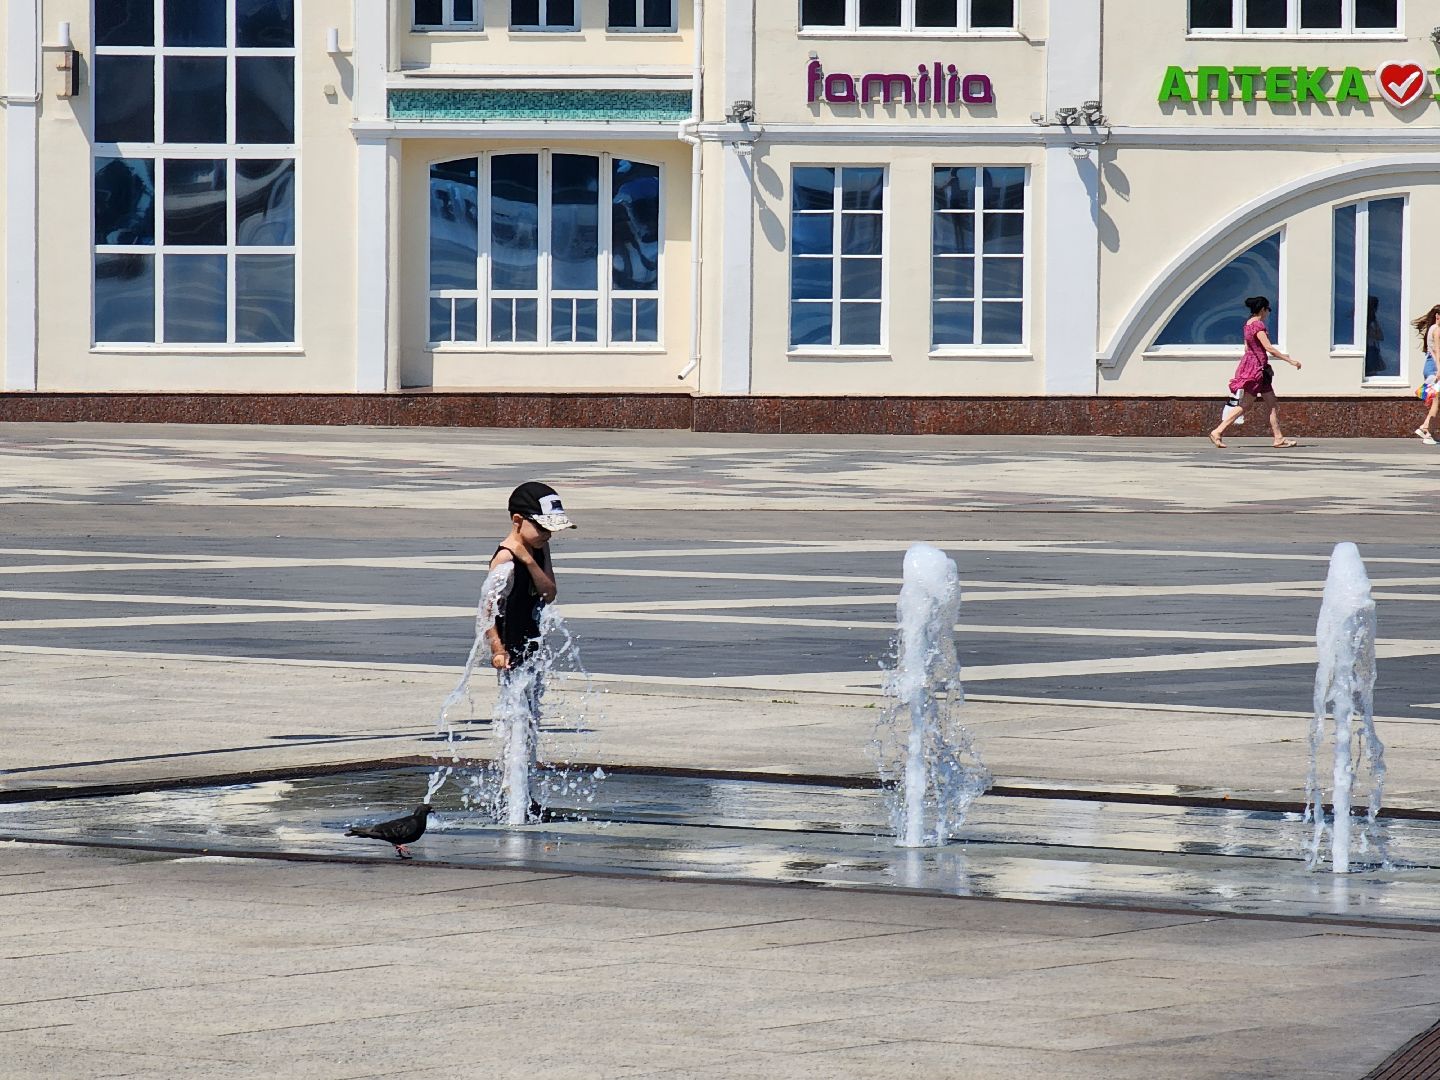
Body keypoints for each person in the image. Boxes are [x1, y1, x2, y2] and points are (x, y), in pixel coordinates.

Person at [477, 482, 576, 819]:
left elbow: (549, 592)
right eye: (542, 528)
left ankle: (524, 792)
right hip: (509, 647)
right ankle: (510, 795)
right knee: (514, 720)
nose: (547, 536)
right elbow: (487, 611)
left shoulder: (537, 550)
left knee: (530, 720)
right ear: (518, 520)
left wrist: (530, 560)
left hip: (532, 644)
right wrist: (496, 648)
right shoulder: (504, 558)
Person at [1209, 295, 1302, 449]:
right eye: (1267, 310)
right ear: (1262, 309)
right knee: (1246, 404)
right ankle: (1218, 431)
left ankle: (1278, 438)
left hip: (1254, 367)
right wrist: (1290, 360)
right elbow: (1268, 348)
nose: (1267, 313)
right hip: (1257, 370)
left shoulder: (1247, 325)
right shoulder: (1258, 326)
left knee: (1271, 402)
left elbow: (1247, 347)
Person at [1411, 304, 1440, 445]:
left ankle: (1426, 429)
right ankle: (1427, 431)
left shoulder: (1432, 329)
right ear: (1437, 316)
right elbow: (1437, 352)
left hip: (1430, 367)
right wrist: (1439, 370)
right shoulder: (1437, 330)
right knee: (1436, 401)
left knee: (1436, 400)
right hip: (1434, 368)